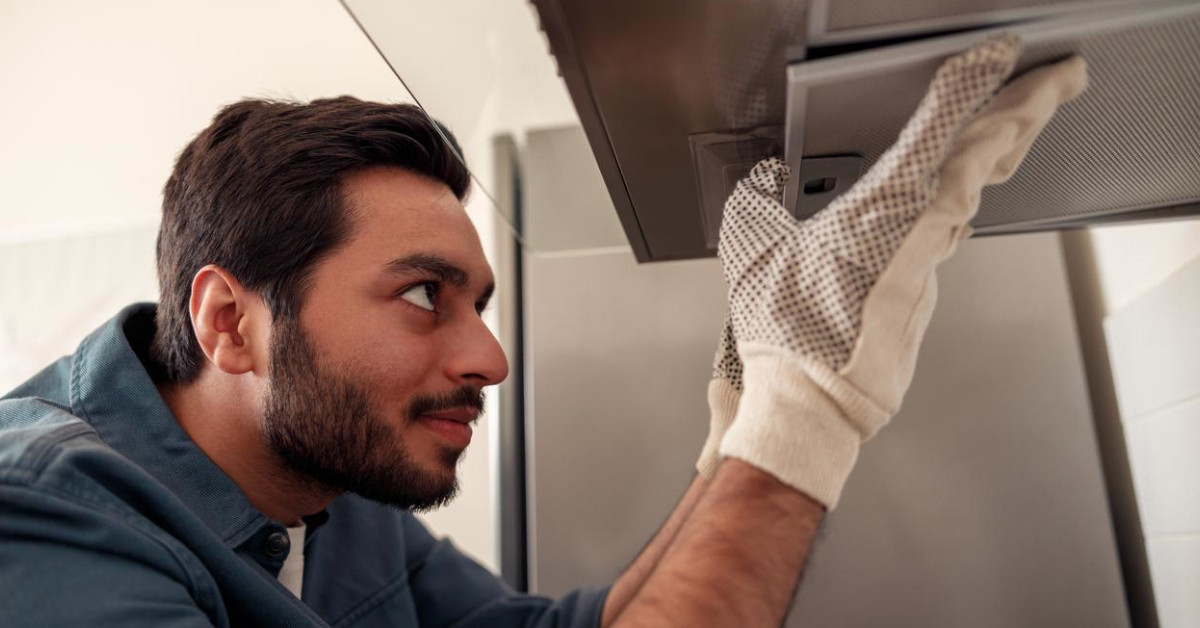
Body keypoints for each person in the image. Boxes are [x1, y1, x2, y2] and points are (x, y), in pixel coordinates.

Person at [0, 36, 1085, 627]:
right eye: (425, 294)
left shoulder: (330, 491)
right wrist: (810, 418)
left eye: (481, 301)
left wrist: (743, 426)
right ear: (232, 322)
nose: (490, 359)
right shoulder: (44, 521)